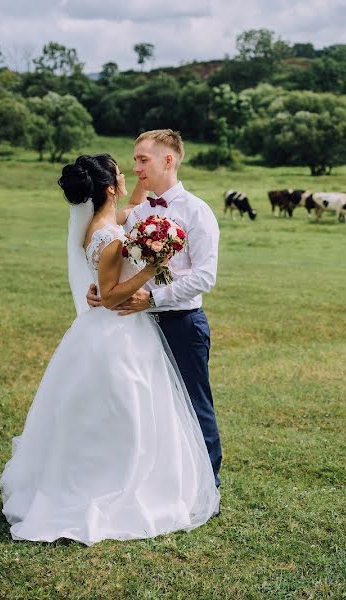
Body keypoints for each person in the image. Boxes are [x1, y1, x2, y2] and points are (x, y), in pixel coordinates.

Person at [0, 154, 219, 546]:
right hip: (119, 331)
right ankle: (118, 483)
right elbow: (113, 297)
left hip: (101, 331)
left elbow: (131, 206)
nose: (128, 176)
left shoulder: (102, 223)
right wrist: (154, 267)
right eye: (121, 173)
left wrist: (140, 187)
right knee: (128, 406)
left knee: (107, 407)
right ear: (108, 188)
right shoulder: (110, 236)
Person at [86, 130, 223, 487]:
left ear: (169, 160)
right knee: (154, 407)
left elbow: (205, 277)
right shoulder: (138, 215)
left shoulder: (197, 211)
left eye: (143, 160)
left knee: (195, 405)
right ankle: (162, 481)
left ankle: (208, 485)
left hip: (182, 323)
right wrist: (101, 290)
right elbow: (123, 265)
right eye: (134, 161)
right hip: (140, 328)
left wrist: (154, 299)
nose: (135, 168)